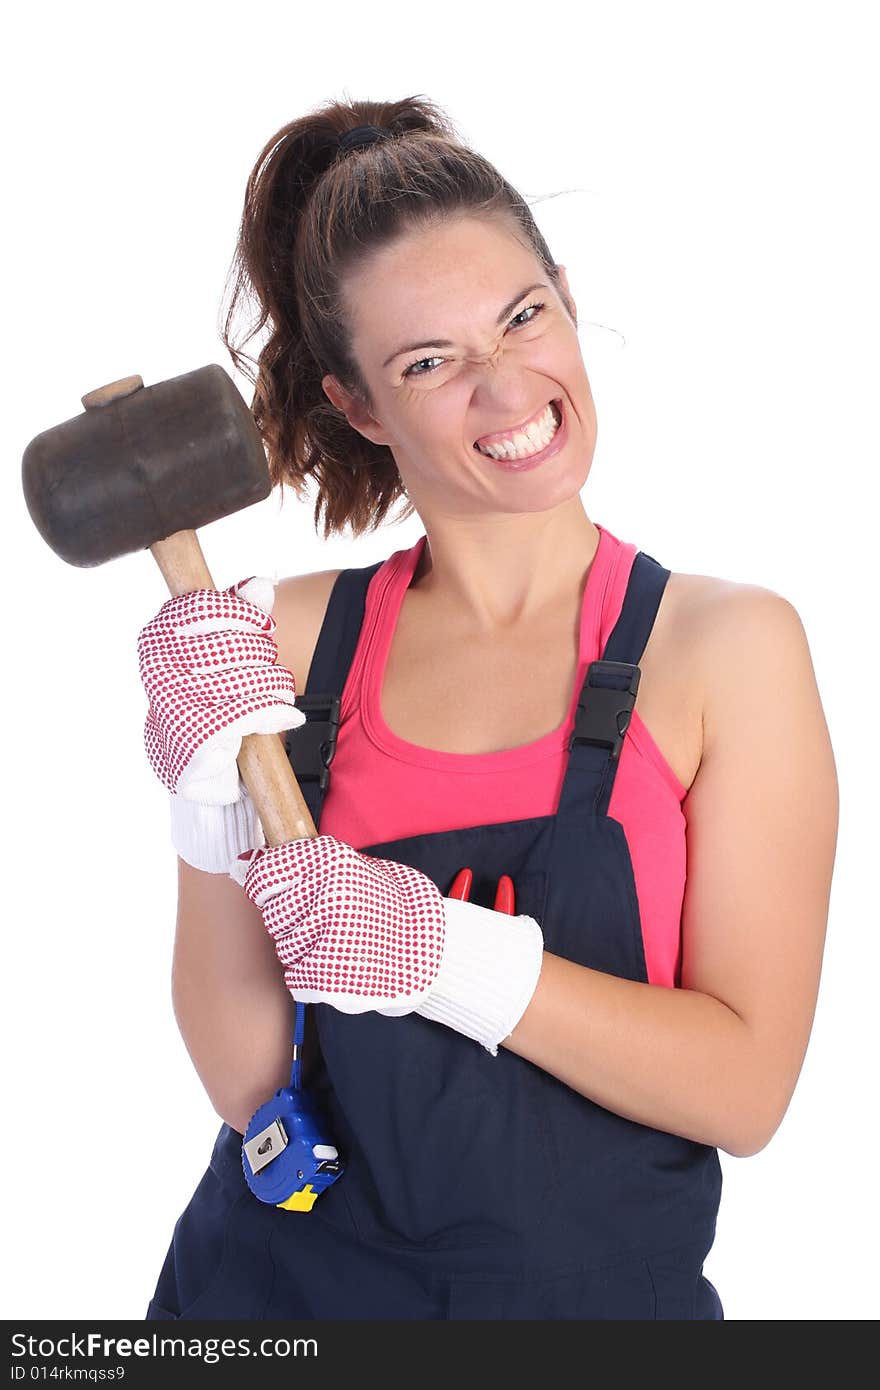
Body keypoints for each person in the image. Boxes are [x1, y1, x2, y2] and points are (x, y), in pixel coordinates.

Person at [138, 96, 838, 1321]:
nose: (507, 385)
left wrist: (443, 954)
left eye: (522, 315)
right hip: (270, 1303)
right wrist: (209, 818)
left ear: (566, 296)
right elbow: (251, 1077)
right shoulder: (287, 641)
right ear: (358, 405)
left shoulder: (727, 648)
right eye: (428, 362)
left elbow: (747, 1089)